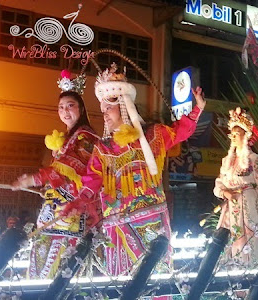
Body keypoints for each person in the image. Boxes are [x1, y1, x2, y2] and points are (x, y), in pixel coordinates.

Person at [66, 63, 206, 276]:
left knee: (154, 279)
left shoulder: (153, 136)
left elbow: (180, 132)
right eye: (102, 110)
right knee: (122, 283)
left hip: (152, 222)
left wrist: (197, 109)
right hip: (119, 228)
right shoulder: (103, 148)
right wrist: (78, 201)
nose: (104, 115)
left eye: (108, 108)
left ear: (123, 105)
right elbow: (91, 180)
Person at [11, 70, 99, 279]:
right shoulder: (66, 139)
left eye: (71, 105)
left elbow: (70, 168)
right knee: (42, 260)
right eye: (61, 107)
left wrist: (33, 178)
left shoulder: (86, 137)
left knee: (61, 267)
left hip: (71, 211)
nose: (65, 111)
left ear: (81, 108)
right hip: (53, 209)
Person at [213, 107, 258, 267]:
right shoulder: (227, 161)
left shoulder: (254, 159)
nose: (234, 137)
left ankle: (249, 272)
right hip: (230, 206)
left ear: (246, 136)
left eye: (238, 134)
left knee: (249, 237)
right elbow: (219, 184)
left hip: (247, 204)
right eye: (232, 134)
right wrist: (225, 192)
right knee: (229, 237)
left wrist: (249, 195)